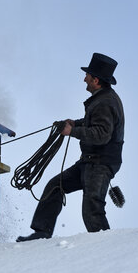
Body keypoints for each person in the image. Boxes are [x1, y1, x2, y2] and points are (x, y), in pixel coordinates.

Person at [17, 53, 124, 242]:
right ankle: (42, 232)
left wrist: (71, 131)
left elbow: (101, 134)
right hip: (89, 162)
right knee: (55, 186)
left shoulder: (105, 102)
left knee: (92, 208)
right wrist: (75, 123)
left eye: (88, 76)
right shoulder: (102, 98)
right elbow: (94, 123)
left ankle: (106, 247)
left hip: (100, 164)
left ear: (96, 80)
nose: (85, 79)